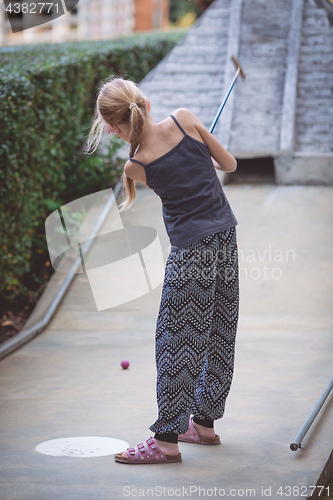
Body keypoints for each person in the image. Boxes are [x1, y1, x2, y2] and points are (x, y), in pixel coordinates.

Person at [85, 76, 240, 465]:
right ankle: (203, 423)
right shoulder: (185, 119)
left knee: (178, 340)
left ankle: (167, 440)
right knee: (220, 331)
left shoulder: (136, 166)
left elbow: (170, 177)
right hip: (225, 240)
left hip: (190, 253)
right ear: (147, 103)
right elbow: (230, 164)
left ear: (112, 128)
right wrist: (200, 149)